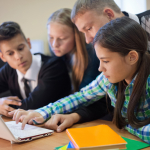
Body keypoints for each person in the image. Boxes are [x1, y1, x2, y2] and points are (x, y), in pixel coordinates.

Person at [11, 17, 150, 144]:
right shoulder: (108, 78)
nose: (100, 68)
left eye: (106, 61)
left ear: (132, 57)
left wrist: (128, 125)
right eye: (100, 60)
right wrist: (42, 112)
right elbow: (81, 96)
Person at [0, 21, 72, 117]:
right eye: (10, 53)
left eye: (21, 48)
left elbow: (34, 105)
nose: (18, 56)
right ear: (3, 57)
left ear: (29, 43)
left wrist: (4, 106)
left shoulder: (54, 66)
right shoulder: (8, 71)